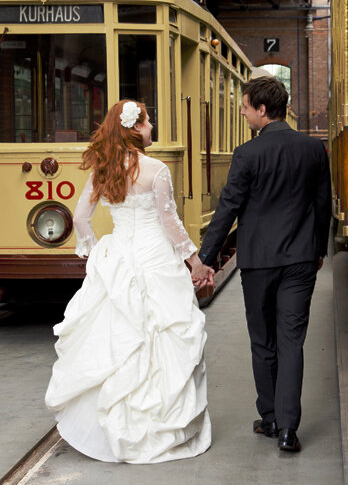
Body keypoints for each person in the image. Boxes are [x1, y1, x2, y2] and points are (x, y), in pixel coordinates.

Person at [45, 100, 215, 464]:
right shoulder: (156, 170)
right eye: (149, 122)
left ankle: (108, 424)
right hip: (155, 257)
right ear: (135, 128)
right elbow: (170, 224)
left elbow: (81, 219)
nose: (152, 128)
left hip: (119, 254)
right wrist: (196, 263)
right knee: (164, 333)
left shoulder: (102, 170)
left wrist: (95, 255)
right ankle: (161, 424)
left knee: (117, 337)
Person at [193, 76, 331, 453]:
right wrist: (318, 250)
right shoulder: (313, 150)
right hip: (301, 259)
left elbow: (228, 210)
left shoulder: (247, 154)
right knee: (292, 341)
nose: (242, 111)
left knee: (263, 340)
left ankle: (269, 417)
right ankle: (289, 429)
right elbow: (323, 207)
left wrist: (205, 260)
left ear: (262, 110)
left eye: (245, 105)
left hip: (257, 263)